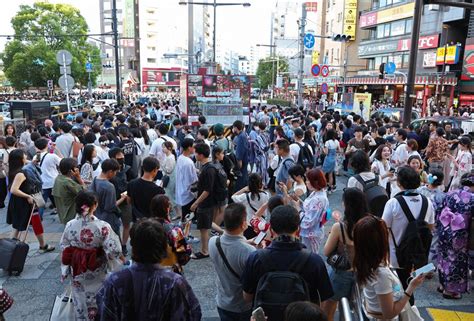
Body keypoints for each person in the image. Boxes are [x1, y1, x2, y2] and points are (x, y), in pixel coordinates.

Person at [96, 218, 202, 321]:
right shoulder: (174, 282)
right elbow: (193, 314)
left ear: (133, 246)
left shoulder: (114, 281)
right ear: (163, 247)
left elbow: (105, 315)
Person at [241, 205, 333, 321]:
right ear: (298, 230)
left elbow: (247, 297)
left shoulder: (255, 258)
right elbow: (326, 298)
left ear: (271, 230)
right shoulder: (314, 261)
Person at [60, 191, 123, 321]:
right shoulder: (102, 226)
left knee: (80, 299)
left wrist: (67, 267)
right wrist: (118, 258)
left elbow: (64, 246)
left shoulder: (70, 225)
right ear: (94, 206)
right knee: (98, 297)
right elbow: (113, 250)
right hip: (97, 269)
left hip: (78, 269)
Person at [353, 215, 426, 320]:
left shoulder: (364, 262)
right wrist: (411, 287)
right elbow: (389, 314)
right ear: (380, 242)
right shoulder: (381, 274)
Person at [382, 166, 434, 304]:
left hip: (396, 256)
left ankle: (403, 313)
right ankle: (409, 311)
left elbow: (383, 228)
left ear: (399, 183)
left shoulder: (393, 203)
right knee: (409, 288)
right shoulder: (427, 202)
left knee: (397, 291)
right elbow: (430, 227)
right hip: (418, 256)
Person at [322, 188, 368, 321]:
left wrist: (332, 232)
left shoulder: (339, 227)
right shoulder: (370, 223)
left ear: (346, 204)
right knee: (355, 308)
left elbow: (326, 251)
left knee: (329, 307)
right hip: (363, 272)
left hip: (342, 273)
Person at [209, 203, 256, 321]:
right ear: (244, 224)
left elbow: (232, 246)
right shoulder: (249, 252)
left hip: (222, 302)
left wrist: (246, 242)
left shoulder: (213, 242)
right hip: (242, 307)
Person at [6, 149, 55, 253]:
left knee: (18, 226)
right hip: (25, 203)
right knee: (28, 225)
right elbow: (13, 189)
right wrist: (28, 196)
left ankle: (10, 250)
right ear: (20, 159)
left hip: (17, 202)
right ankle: (13, 251)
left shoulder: (13, 170)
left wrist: (32, 162)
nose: (26, 157)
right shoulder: (21, 173)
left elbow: (28, 162)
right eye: (24, 156)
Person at [436, 173, 473, 299]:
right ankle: (450, 290)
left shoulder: (450, 193)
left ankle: (442, 285)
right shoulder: (472, 197)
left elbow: (439, 210)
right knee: (456, 261)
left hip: (444, 229)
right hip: (460, 235)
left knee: (443, 257)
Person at [149, 195, 191, 274]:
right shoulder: (174, 231)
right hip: (169, 271)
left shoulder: (146, 225)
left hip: (149, 270)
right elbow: (184, 257)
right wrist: (184, 237)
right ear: (167, 209)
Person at [190, 143, 217, 259]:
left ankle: (205, 251)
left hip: (206, 202)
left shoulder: (208, 169)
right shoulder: (206, 167)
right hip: (207, 202)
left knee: (203, 228)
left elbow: (207, 190)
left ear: (201, 155)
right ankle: (224, 234)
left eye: (196, 152)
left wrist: (196, 203)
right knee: (207, 224)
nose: (194, 154)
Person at [89, 159, 126, 236]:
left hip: (96, 216)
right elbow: (110, 207)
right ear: (110, 172)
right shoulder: (109, 186)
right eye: (115, 172)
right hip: (109, 221)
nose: (115, 174)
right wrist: (122, 198)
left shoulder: (95, 179)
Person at [109, 147, 134, 255]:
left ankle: (123, 245)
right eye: (119, 157)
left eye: (122, 156)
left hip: (125, 202)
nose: (122, 158)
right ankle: (117, 244)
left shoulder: (128, 169)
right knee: (114, 226)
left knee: (126, 224)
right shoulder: (108, 170)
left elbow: (133, 183)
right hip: (112, 202)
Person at [231, 173, 269, 238]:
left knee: (249, 244)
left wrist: (244, 189)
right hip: (261, 225)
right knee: (259, 243)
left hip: (249, 225)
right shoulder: (266, 195)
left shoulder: (245, 196)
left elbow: (233, 196)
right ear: (260, 183)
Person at [53, 158, 86, 224]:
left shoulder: (58, 178)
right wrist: (78, 177)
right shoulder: (67, 182)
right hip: (71, 215)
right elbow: (84, 192)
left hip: (63, 214)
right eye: (76, 167)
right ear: (71, 170)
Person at [35, 138, 61, 217]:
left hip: (42, 182)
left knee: (42, 202)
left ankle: (39, 218)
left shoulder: (36, 157)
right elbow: (62, 162)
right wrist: (56, 150)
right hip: (53, 181)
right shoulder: (52, 156)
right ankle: (60, 213)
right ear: (47, 145)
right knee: (56, 199)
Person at [175, 138, 198, 222]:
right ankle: (184, 233)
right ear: (189, 148)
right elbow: (193, 180)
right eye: (193, 147)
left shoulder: (180, 158)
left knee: (185, 216)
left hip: (181, 190)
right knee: (188, 218)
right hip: (188, 193)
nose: (194, 149)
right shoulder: (189, 162)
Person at [232, 120, 249, 191]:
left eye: (233, 128)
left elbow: (240, 153)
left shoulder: (241, 137)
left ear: (236, 128)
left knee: (240, 185)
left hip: (241, 164)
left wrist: (238, 167)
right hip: (243, 162)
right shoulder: (242, 135)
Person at [322, 129, 340, 193]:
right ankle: (330, 188)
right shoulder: (337, 142)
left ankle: (323, 187)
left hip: (328, 159)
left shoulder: (327, 142)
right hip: (333, 159)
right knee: (330, 174)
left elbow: (326, 152)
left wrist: (323, 149)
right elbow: (339, 150)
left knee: (323, 174)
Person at [162, 141, 177, 213]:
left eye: (164, 147)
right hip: (168, 178)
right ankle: (170, 209)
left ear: (169, 148)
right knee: (168, 194)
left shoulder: (170, 157)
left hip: (169, 179)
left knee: (169, 195)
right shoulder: (169, 156)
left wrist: (162, 166)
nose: (163, 149)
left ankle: (176, 211)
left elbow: (168, 170)